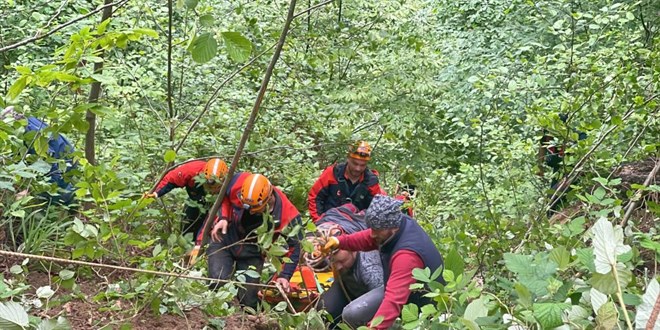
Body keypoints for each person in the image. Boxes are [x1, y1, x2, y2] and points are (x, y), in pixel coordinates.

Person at [322, 195, 445, 329]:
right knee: (351, 313)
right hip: (405, 292)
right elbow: (368, 237)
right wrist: (341, 241)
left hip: (422, 305)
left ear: (390, 227)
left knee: (356, 313)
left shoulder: (406, 256)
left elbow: (393, 300)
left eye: (377, 230)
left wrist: (375, 328)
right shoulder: (398, 223)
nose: (373, 233)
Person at [206, 172, 303, 309]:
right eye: (247, 207)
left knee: (249, 300)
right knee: (217, 281)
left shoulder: (287, 215)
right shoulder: (236, 182)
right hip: (225, 237)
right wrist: (223, 217)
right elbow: (224, 196)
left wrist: (285, 275)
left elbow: (296, 247)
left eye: (255, 209)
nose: (251, 212)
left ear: (268, 199)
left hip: (253, 251)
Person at [305, 205, 384, 328]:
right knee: (324, 309)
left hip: (374, 295)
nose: (338, 266)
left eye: (341, 262)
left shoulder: (369, 265)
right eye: (333, 263)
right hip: (349, 289)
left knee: (353, 314)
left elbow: (386, 301)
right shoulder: (337, 260)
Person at [1, 106, 77, 205]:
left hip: (63, 159)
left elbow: (49, 166)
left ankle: (70, 203)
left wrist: (29, 191)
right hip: (55, 152)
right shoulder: (15, 121)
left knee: (52, 195)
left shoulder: (29, 135)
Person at [144, 158, 228, 239]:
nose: (212, 188)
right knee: (189, 222)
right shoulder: (190, 170)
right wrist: (155, 192)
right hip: (195, 200)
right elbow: (171, 179)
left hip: (216, 205)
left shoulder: (231, 182)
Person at [308, 141, 384, 222]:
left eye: (362, 165)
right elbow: (315, 197)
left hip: (355, 225)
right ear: (348, 159)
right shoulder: (333, 173)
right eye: (355, 163)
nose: (358, 168)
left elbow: (377, 207)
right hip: (329, 221)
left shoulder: (371, 181)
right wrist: (318, 221)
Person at [537, 113, 587, 212]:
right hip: (558, 172)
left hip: (574, 172)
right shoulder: (547, 137)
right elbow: (541, 147)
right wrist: (540, 168)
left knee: (556, 199)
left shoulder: (578, 137)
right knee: (551, 201)